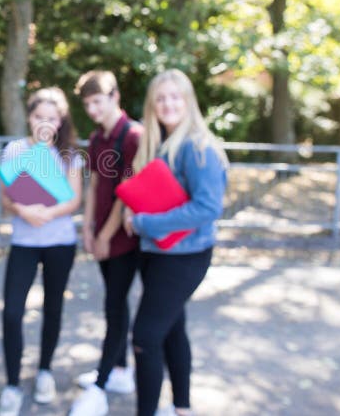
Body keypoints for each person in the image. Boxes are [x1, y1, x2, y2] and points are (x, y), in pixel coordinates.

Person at [123, 69, 229, 416]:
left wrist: (143, 222)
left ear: (188, 101)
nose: (167, 104)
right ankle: (182, 408)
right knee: (171, 329)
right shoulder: (161, 143)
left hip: (184, 257)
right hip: (160, 253)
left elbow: (207, 208)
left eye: (175, 96)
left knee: (145, 338)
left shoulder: (198, 147)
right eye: (160, 97)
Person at [0, 87, 84, 416]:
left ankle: (45, 370)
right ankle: (11, 384)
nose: (44, 122)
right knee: (12, 313)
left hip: (60, 243)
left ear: (60, 121)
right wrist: (23, 211)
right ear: (29, 117)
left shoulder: (69, 155)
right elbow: (6, 198)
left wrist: (46, 213)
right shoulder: (15, 150)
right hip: (24, 242)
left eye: (51, 117)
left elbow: (74, 200)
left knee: (53, 307)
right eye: (38, 116)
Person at [69, 71, 143, 416]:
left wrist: (103, 235)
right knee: (116, 305)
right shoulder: (98, 138)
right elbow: (97, 184)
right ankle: (121, 371)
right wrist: (87, 228)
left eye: (97, 101)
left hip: (124, 240)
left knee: (115, 308)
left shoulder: (134, 136)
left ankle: (99, 386)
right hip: (101, 235)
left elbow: (127, 195)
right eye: (87, 104)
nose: (93, 109)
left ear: (115, 96)